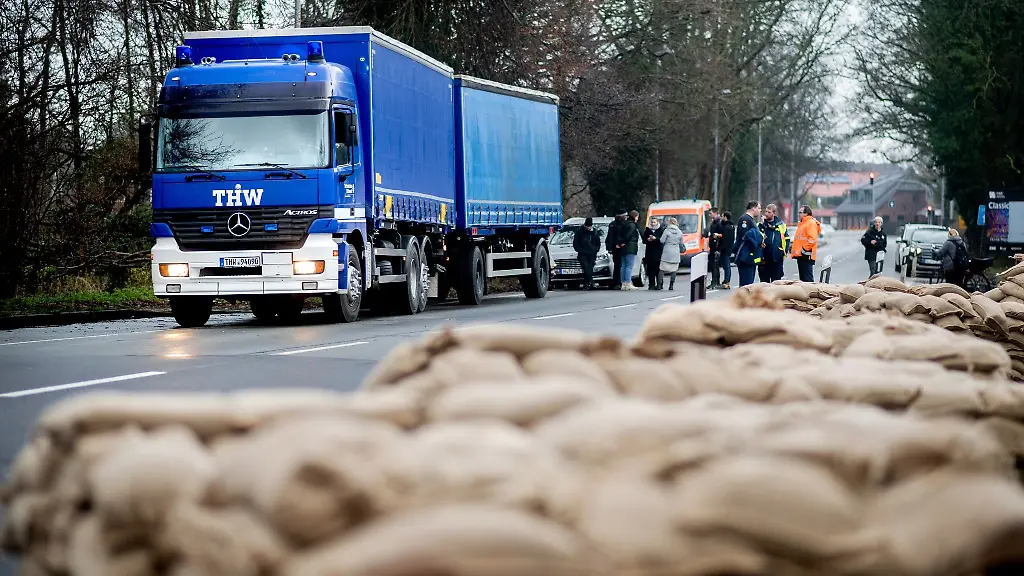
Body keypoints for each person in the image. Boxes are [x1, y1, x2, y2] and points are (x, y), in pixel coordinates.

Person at [732, 201, 762, 287]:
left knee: (749, 283)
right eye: (759, 208)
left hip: (750, 256)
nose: (760, 210)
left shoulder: (751, 220)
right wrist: (757, 242)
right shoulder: (745, 219)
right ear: (753, 208)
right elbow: (745, 237)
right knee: (746, 284)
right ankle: (743, 299)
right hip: (745, 256)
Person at [790, 205, 821, 282]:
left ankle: (810, 294)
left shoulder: (810, 223)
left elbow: (813, 239)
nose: (798, 214)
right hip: (802, 255)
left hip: (806, 255)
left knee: (807, 280)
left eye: (800, 212)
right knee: (803, 280)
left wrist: (803, 250)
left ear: (806, 214)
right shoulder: (803, 223)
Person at [758, 203, 787, 283]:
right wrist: (762, 224)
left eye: (769, 212)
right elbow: (758, 236)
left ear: (774, 213)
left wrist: (783, 252)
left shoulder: (781, 225)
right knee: (764, 283)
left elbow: (786, 239)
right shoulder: (761, 224)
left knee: (776, 283)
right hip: (764, 259)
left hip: (776, 259)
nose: (766, 214)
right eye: (766, 212)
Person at [573, 217, 602, 290]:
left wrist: (596, 249)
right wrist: (580, 250)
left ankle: (587, 284)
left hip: (592, 254)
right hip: (583, 253)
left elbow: (598, 242)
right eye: (587, 226)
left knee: (589, 268)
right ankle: (591, 282)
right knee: (586, 267)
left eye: (590, 226)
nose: (589, 228)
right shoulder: (579, 232)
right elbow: (576, 243)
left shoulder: (594, 232)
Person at [605, 211, 628, 290]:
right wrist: (611, 247)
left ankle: (621, 282)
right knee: (618, 265)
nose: (626, 217)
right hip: (617, 248)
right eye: (625, 216)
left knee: (621, 265)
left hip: (622, 247)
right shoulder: (614, 224)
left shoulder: (624, 224)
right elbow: (611, 237)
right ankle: (617, 282)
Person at [659, 217, 683, 290]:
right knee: (674, 270)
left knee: (662, 269)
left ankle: (659, 285)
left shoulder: (666, 231)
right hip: (675, 252)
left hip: (667, 251)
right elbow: (681, 243)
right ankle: (671, 285)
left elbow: (662, 240)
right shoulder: (679, 232)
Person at [643, 216, 665, 290]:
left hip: (658, 251)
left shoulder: (661, 230)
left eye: (654, 222)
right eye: (652, 222)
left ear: (657, 222)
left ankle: (659, 284)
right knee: (650, 269)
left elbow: (662, 240)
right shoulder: (647, 230)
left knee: (658, 269)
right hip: (650, 252)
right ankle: (651, 284)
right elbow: (644, 240)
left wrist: (655, 239)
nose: (653, 224)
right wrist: (648, 239)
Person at [622, 210, 641, 288]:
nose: (637, 218)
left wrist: (621, 243)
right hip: (630, 247)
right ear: (634, 217)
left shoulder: (624, 224)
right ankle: (628, 282)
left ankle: (623, 283)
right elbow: (628, 235)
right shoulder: (632, 225)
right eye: (637, 217)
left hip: (623, 247)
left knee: (623, 265)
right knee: (629, 265)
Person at [707, 207, 724, 288]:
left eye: (711, 213)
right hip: (713, 245)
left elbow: (721, 235)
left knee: (715, 264)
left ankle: (716, 281)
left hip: (716, 246)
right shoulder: (714, 222)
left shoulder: (719, 222)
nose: (709, 215)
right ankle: (714, 281)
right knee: (713, 265)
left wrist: (716, 237)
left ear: (715, 213)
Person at [719, 211, 736, 289]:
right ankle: (726, 280)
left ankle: (727, 281)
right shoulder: (731, 226)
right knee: (726, 265)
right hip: (728, 248)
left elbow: (725, 239)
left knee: (726, 266)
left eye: (722, 216)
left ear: (725, 217)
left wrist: (720, 249)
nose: (721, 218)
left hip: (726, 249)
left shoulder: (727, 227)